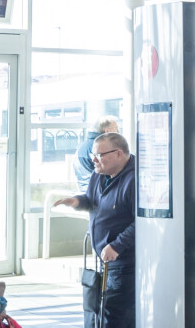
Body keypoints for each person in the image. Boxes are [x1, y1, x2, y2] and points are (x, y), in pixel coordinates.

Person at [55, 132, 135, 328]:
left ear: (118, 154)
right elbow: (92, 201)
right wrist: (76, 201)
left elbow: (142, 223)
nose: (93, 160)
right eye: (93, 154)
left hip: (125, 263)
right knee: (97, 311)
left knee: (115, 315)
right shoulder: (98, 175)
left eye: (99, 155)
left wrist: (117, 246)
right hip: (103, 260)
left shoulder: (135, 180)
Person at [75, 116, 120, 193]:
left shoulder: (84, 146)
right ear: (107, 131)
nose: (118, 132)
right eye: (116, 128)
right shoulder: (101, 148)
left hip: (85, 191)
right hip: (97, 194)